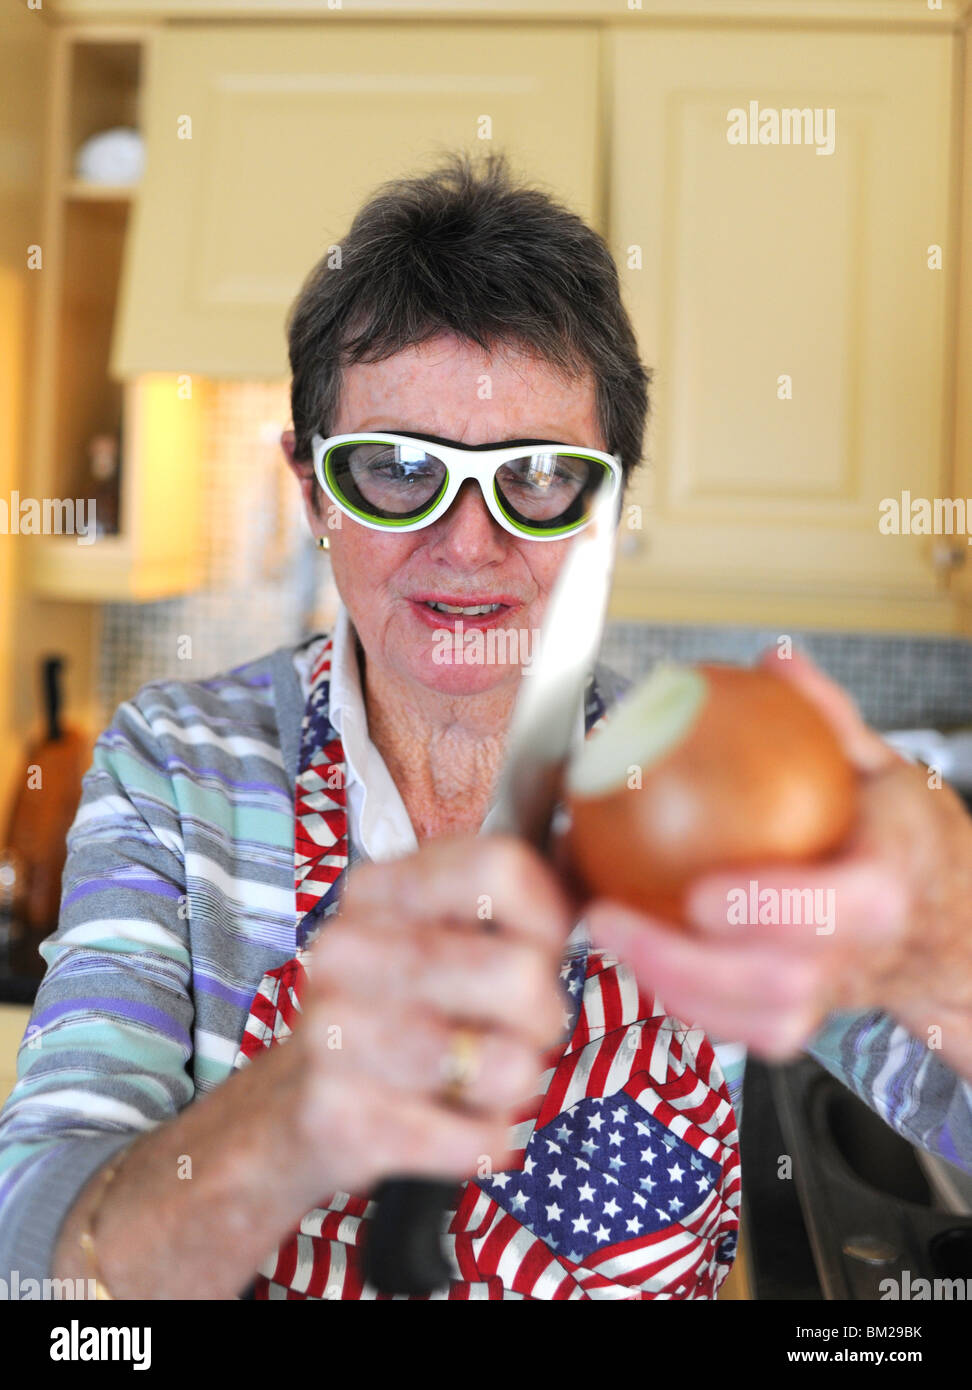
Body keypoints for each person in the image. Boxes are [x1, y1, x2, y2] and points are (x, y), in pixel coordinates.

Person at [0, 152, 969, 1301]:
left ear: (607, 512)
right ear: (312, 491)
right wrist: (294, 1110)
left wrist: (947, 958)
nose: (469, 544)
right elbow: (41, 1267)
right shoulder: (175, 769)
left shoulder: (710, 790)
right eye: (399, 470)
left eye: (543, 479)